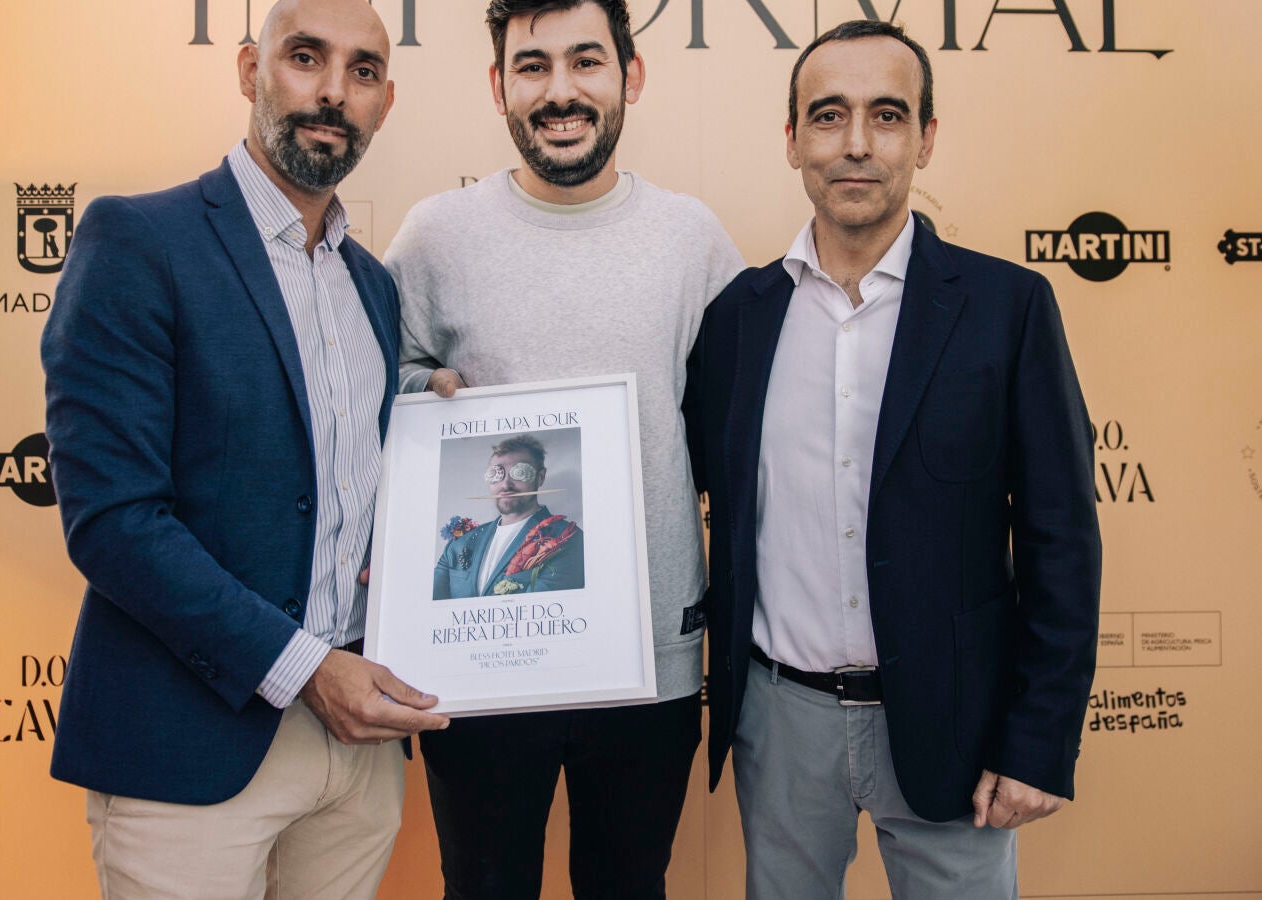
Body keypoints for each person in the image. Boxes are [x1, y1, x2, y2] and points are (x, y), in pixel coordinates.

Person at [683, 20, 1102, 899]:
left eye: (887, 114)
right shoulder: (736, 320)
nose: (857, 144)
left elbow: (1062, 541)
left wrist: (1039, 740)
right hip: (779, 720)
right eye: (828, 116)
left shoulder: (1008, 307)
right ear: (792, 139)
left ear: (925, 138)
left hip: (957, 720)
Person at [40, 1, 449, 896]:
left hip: (358, 752)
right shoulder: (139, 241)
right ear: (248, 71)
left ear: (384, 103)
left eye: (363, 72)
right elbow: (113, 522)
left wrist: (432, 414)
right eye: (305, 57)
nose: (333, 91)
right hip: (190, 746)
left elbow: (335, 466)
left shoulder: (372, 285)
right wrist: (306, 670)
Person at [383, 0, 744, 894]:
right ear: (499, 85)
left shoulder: (692, 239)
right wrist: (423, 394)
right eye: (533, 65)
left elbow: (737, 428)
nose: (560, 91)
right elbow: (369, 396)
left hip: (649, 662)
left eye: (586, 61)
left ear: (631, 75)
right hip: (480, 657)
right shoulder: (435, 235)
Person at [434, 433, 584, 600]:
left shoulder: (566, 539)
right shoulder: (459, 544)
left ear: (540, 477)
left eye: (520, 473)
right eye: (497, 474)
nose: (505, 485)